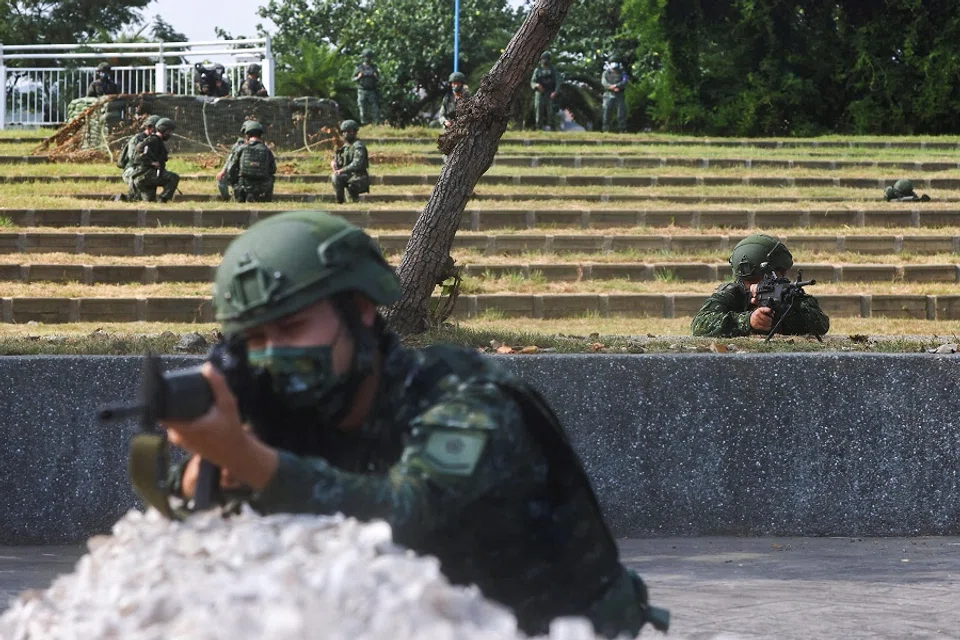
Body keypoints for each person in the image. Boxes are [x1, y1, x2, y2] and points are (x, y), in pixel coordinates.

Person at [159, 211, 670, 639]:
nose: (273, 354)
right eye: (254, 339)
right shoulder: (294, 402)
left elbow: (409, 515)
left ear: (359, 310)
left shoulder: (466, 399)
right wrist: (202, 478)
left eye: (291, 328)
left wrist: (251, 460)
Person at [691, 234, 830, 338]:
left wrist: (783, 313)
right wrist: (747, 321)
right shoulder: (733, 293)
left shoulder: (787, 293)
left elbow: (821, 323)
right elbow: (699, 324)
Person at [218, 120, 276, 202]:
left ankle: (235, 197)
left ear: (247, 135)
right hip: (262, 188)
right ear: (261, 134)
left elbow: (231, 167)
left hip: (243, 187)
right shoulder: (267, 150)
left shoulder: (241, 148)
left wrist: (234, 182)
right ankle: (265, 197)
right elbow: (273, 169)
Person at [131, 118, 180, 203]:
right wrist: (152, 162)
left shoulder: (157, 141)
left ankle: (121, 198)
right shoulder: (153, 139)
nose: (170, 134)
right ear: (163, 129)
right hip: (146, 175)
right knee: (174, 177)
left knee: (149, 201)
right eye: (169, 131)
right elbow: (140, 148)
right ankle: (163, 199)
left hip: (144, 177)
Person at [115, 115, 160, 202]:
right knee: (136, 193)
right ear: (150, 127)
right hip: (132, 170)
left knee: (148, 198)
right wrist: (150, 163)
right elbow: (133, 158)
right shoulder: (137, 139)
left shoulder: (155, 141)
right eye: (156, 128)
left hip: (146, 170)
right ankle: (124, 197)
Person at [331, 119, 369, 204]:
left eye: (347, 132)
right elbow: (339, 160)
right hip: (347, 175)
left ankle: (354, 198)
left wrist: (342, 170)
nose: (345, 134)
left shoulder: (358, 146)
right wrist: (334, 164)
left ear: (354, 132)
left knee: (352, 184)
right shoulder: (344, 147)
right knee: (335, 177)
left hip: (359, 176)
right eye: (343, 132)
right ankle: (340, 202)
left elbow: (357, 164)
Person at [530, 52, 560, 131]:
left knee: (551, 111)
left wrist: (555, 92)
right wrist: (537, 85)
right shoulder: (537, 70)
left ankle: (552, 128)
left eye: (546, 59)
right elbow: (532, 82)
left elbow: (558, 82)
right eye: (543, 59)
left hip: (550, 93)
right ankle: (538, 128)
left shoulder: (553, 70)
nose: (544, 60)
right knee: (538, 110)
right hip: (540, 93)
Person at [354, 49, 381, 125]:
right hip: (362, 90)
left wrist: (376, 77)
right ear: (363, 57)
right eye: (366, 57)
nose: (368, 59)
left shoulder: (374, 67)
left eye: (369, 57)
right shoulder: (359, 67)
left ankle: (376, 124)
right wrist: (358, 77)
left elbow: (379, 79)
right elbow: (352, 79)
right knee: (362, 109)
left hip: (372, 90)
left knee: (375, 109)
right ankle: (364, 124)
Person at [601, 60, 628, 134]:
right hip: (608, 94)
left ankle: (622, 130)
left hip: (620, 95)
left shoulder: (623, 73)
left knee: (621, 113)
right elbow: (604, 82)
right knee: (607, 112)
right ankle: (606, 130)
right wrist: (611, 87)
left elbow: (625, 81)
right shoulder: (605, 73)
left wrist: (617, 86)